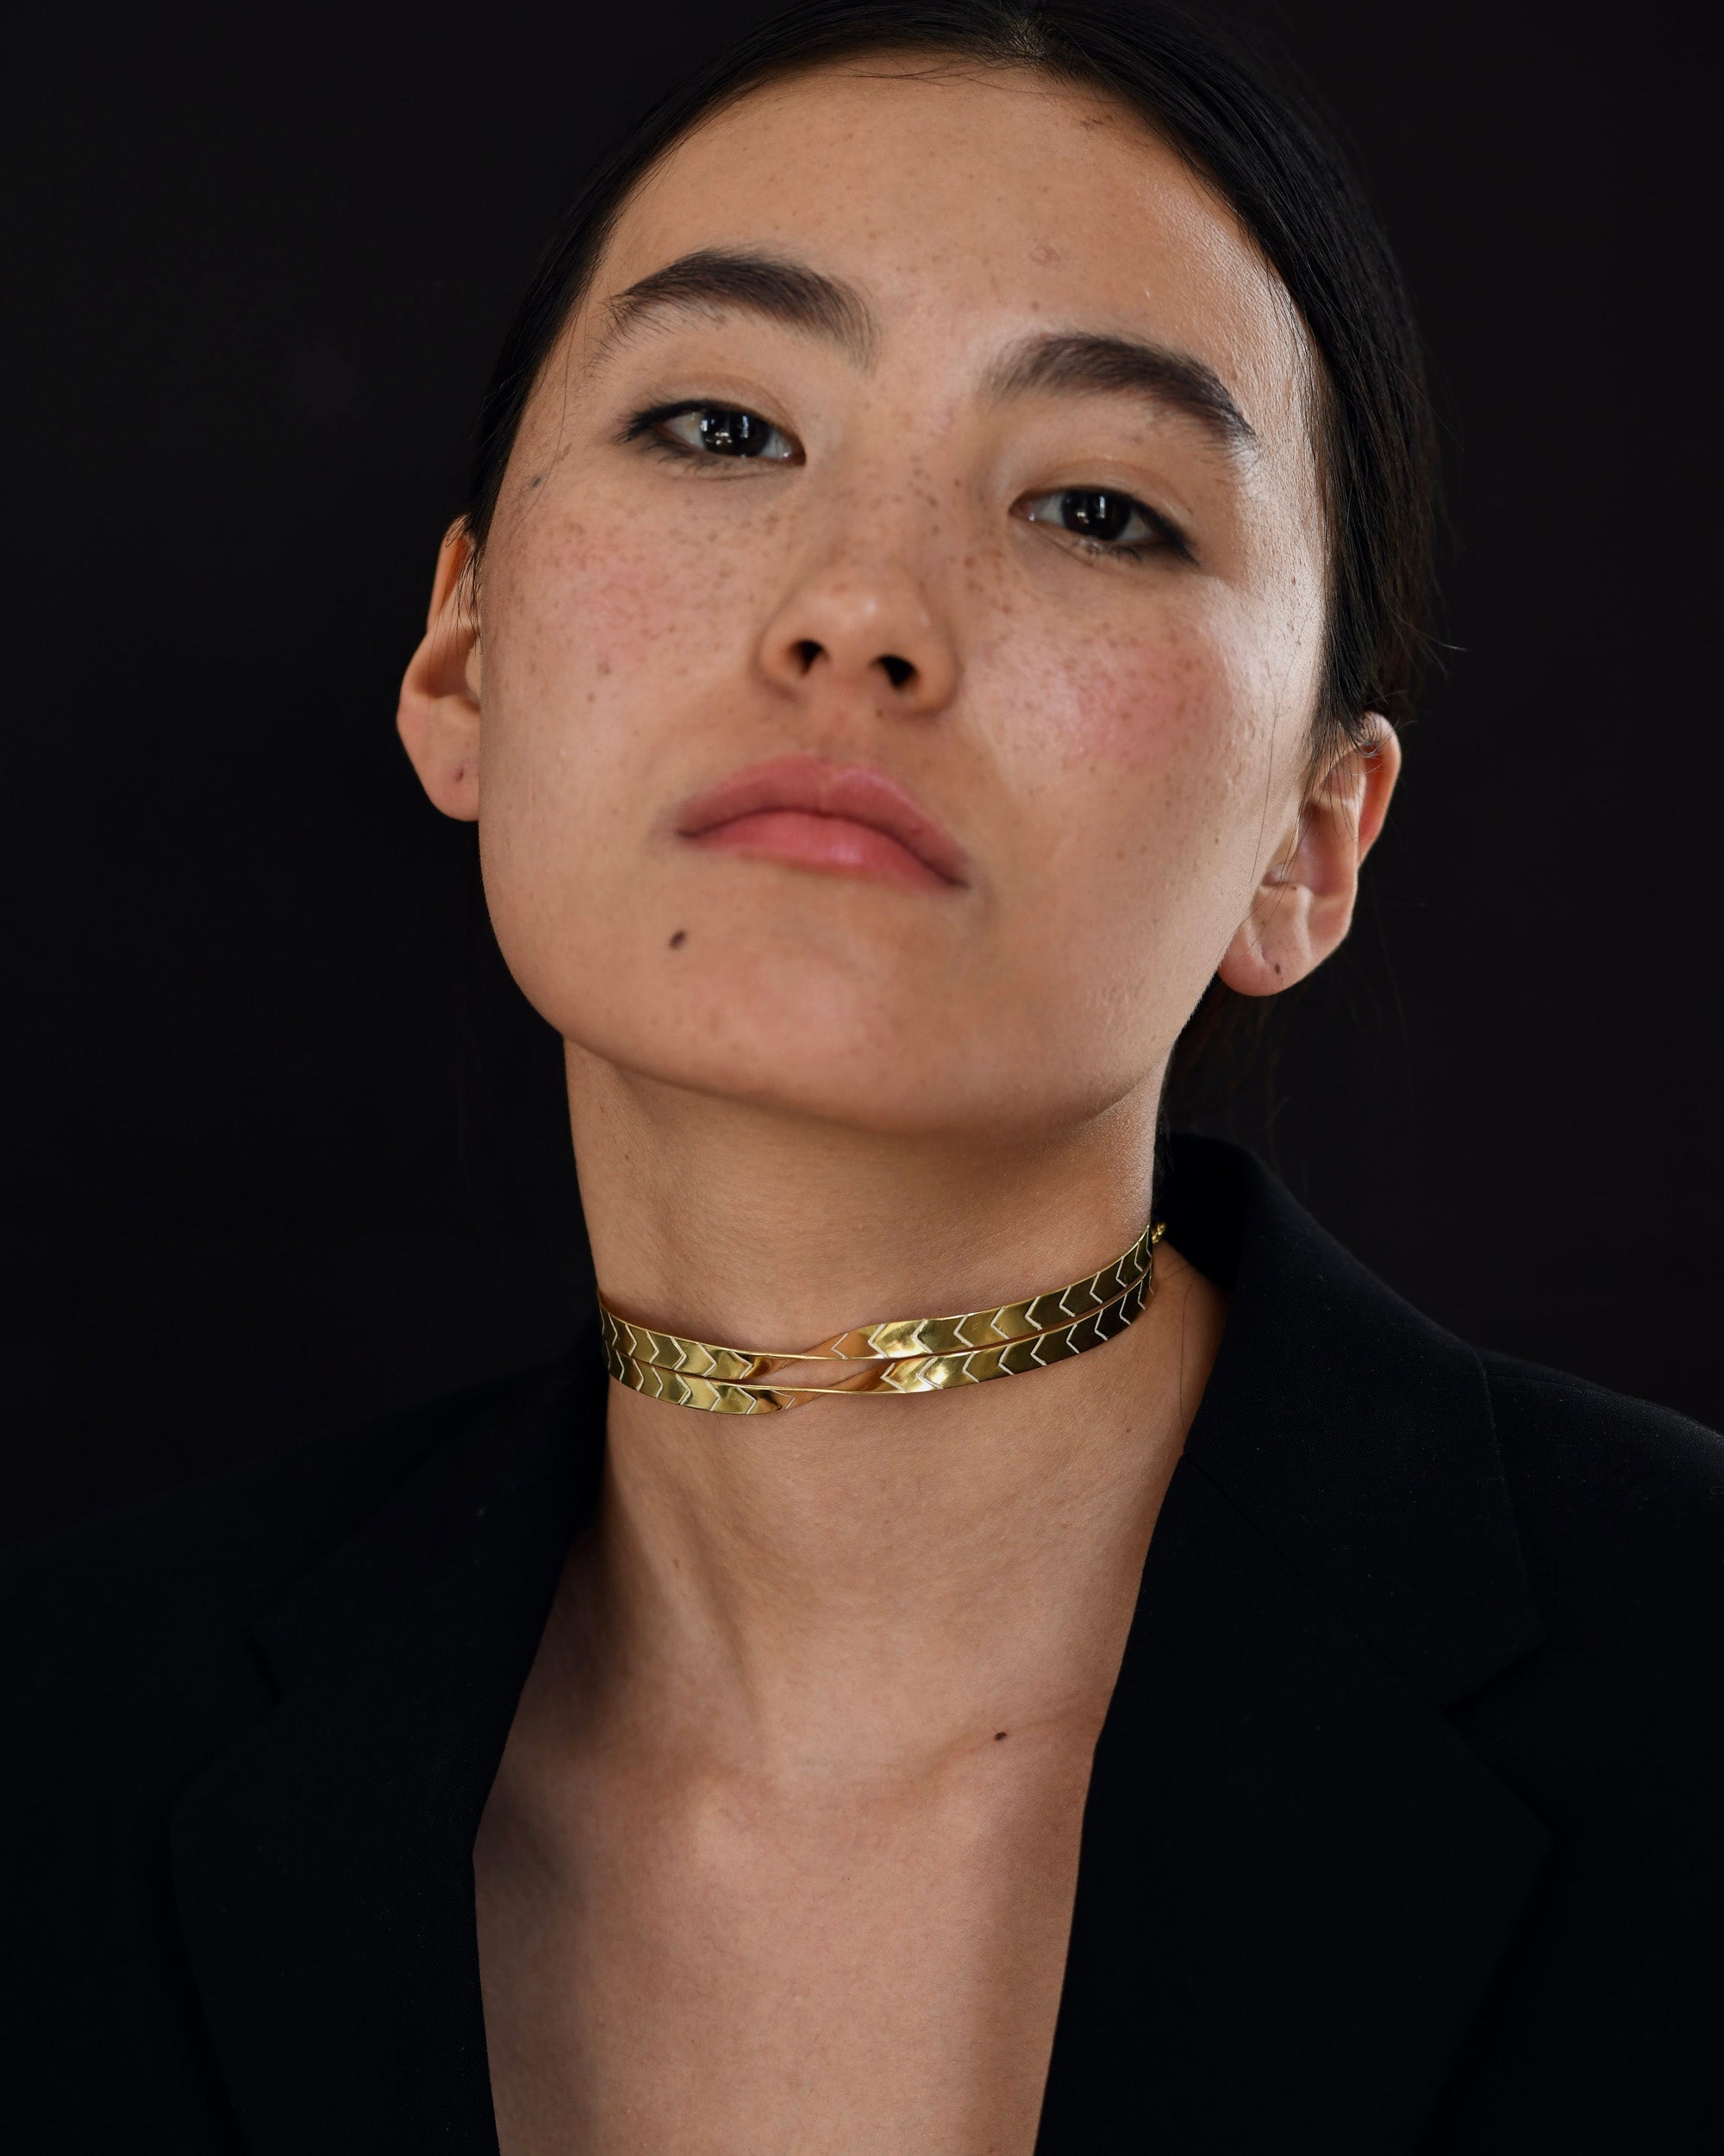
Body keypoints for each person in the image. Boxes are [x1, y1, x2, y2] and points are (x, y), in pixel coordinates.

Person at [5, 3, 1720, 2149]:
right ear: (462, 663)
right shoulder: (61, 1752)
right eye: (722, 427)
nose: (859, 614)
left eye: (1097, 506)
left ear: (1310, 843)